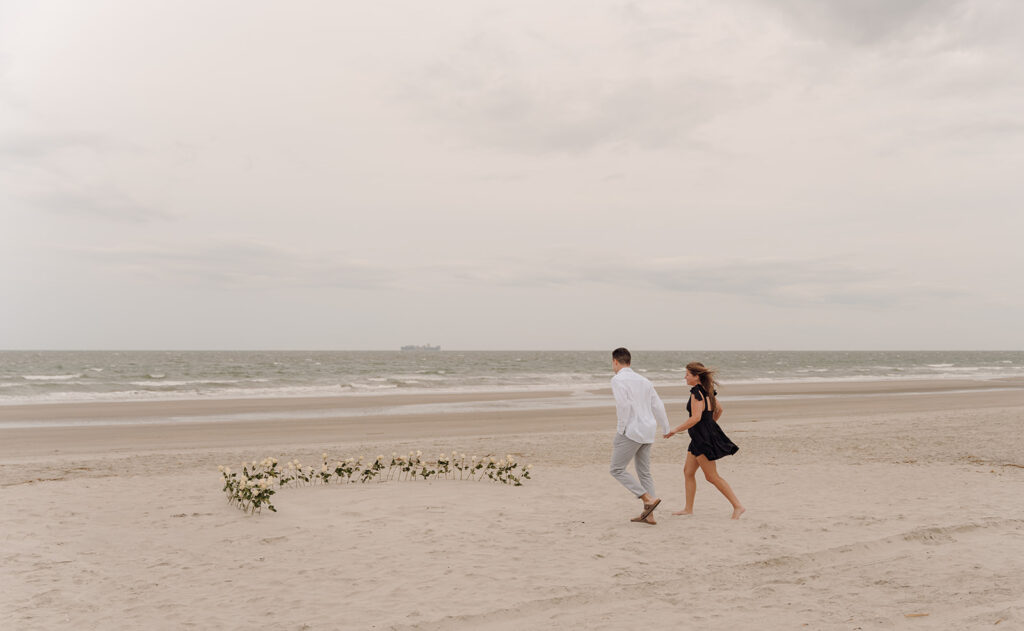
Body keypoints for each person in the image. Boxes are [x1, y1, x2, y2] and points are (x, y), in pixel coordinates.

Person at [663, 362, 745, 519]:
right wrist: (710, 425)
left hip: (702, 438)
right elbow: (719, 409)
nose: (685, 377)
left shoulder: (696, 393)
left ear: (696, 376)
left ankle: (738, 506)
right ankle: (688, 508)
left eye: (687, 374)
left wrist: (675, 430)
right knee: (688, 472)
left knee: (712, 476)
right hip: (700, 436)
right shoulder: (707, 391)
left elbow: (695, 418)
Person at [609, 347, 670, 525]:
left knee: (616, 469)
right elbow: (657, 404)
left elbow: (623, 405)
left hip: (632, 430)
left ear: (615, 361)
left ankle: (647, 499)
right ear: (629, 361)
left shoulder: (618, 379)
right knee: (644, 473)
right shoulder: (644, 380)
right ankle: (649, 515)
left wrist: (621, 429)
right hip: (648, 429)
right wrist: (665, 427)